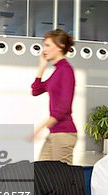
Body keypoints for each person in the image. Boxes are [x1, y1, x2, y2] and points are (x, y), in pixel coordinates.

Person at [31, 29, 77, 165]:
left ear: (60, 46)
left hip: (64, 134)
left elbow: (63, 108)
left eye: (47, 45)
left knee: (62, 181)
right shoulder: (57, 71)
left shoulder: (66, 71)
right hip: (55, 133)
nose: (44, 49)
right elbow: (36, 90)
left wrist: (39, 129)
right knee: (42, 173)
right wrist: (42, 66)